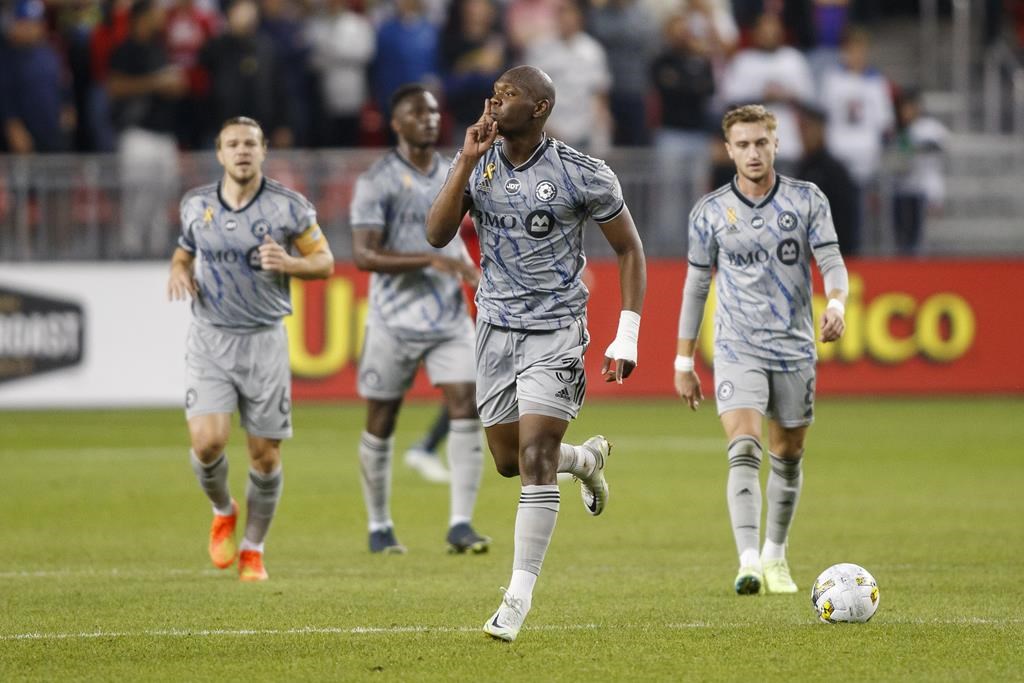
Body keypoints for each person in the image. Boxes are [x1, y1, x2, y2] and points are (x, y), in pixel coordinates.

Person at [427, 65, 647, 641]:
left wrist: (627, 334)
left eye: (508, 95)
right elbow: (434, 233)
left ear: (541, 107)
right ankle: (587, 462)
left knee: (534, 458)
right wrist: (466, 161)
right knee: (508, 458)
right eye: (493, 95)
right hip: (495, 328)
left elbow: (628, 249)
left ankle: (516, 599)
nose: (494, 103)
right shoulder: (481, 162)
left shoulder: (582, 173)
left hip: (556, 330)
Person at [674, 104, 848, 596]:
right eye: (743, 144)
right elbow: (695, 288)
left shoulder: (807, 200)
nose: (753, 152)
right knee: (744, 447)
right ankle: (748, 559)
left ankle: (776, 554)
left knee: (788, 455)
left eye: (761, 143)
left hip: (794, 348)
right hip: (736, 346)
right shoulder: (709, 212)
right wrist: (683, 361)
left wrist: (837, 303)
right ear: (728, 150)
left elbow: (831, 260)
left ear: (776, 144)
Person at [167, 116, 335, 581]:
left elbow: (325, 263)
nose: (242, 151)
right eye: (232, 144)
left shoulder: (290, 208)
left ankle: (253, 548)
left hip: (264, 341)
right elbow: (184, 251)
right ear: (219, 154)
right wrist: (179, 270)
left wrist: (290, 262)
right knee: (208, 442)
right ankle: (223, 509)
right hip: (210, 338)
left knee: (265, 456)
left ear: (263, 152)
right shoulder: (196, 204)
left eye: (250, 144)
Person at [350, 84, 490, 555]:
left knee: (466, 401)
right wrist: (430, 261)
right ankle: (378, 525)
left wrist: (471, 266)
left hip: (448, 316)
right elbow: (365, 255)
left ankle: (460, 524)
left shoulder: (458, 170)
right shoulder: (377, 180)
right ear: (397, 123)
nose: (429, 119)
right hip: (393, 318)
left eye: (433, 111)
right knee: (382, 418)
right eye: (417, 112)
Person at [107, 0, 186, 257]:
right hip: (137, 134)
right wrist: (156, 83)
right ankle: (131, 251)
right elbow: (115, 87)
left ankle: (157, 251)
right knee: (136, 198)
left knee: (163, 197)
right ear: (141, 18)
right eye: (154, 14)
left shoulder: (159, 48)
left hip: (164, 135)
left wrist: (174, 86)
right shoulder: (125, 49)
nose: (160, 18)